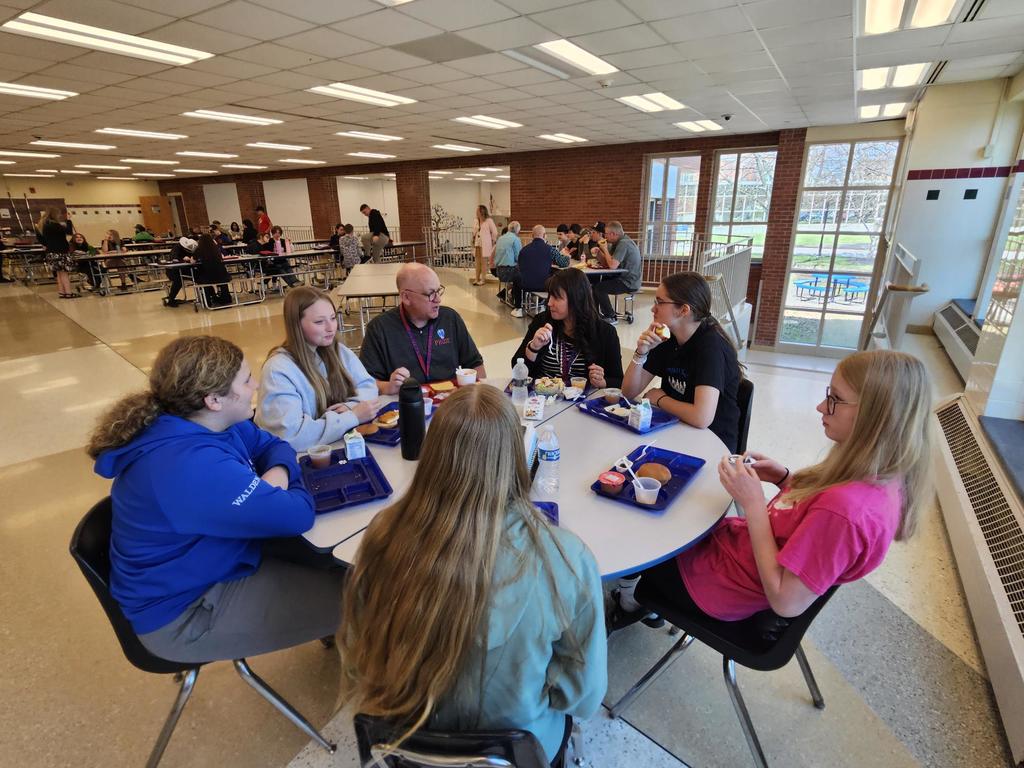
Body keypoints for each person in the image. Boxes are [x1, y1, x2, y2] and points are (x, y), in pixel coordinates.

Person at [338, 384, 606, 765]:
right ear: (517, 456)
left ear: (433, 453)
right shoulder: (567, 558)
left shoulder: (384, 535)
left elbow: (360, 656)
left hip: (407, 742)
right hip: (517, 750)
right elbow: (582, 697)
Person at [610, 350, 933, 631]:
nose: (821, 406)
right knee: (672, 510)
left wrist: (752, 503)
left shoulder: (844, 511)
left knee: (639, 527)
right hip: (731, 557)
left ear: (873, 417)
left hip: (717, 588)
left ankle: (628, 605)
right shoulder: (880, 478)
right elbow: (810, 520)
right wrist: (784, 478)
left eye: (834, 399)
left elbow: (785, 601)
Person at [87, 335, 343, 662]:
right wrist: (278, 488)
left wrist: (277, 474)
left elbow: (274, 446)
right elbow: (298, 515)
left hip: (215, 561)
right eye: (247, 379)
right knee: (374, 595)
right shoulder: (187, 466)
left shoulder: (208, 422)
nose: (255, 386)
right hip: (187, 613)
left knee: (331, 562)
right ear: (214, 400)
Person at [622, 271, 741, 452]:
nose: (653, 309)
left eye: (660, 302)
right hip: (676, 429)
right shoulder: (668, 337)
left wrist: (660, 399)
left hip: (712, 445)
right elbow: (629, 392)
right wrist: (641, 352)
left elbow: (702, 417)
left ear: (684, 310)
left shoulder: (711, 347)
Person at [257, 287, 380, 451]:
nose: (331, 328)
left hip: (334, 444)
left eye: (332, 318)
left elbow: (368, 386)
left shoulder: (337, 350)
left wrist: (349, 407)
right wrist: (353, 416)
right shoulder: (278, 370)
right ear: (297, 326)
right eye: (319, 322)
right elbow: (291, 436)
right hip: (303, 457)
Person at [359, 262, 485, 395]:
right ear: (406, 297)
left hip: (451, 403)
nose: (438, 300)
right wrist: (388, 387)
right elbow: (366, 382)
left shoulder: (450, 319)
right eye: (430, 294)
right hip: (405, 404)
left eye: (438, 291)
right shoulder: (379, 328)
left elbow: (475, 364)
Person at [513, 268, 623, 389]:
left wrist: (603, 382)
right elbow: (516, 367)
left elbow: (618, 380)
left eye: (556, 297)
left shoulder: (605, 332)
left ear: (577, 298)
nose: (549, 303)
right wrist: (533, 348)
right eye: (550, 296)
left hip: (580, 403)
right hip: (543, 399)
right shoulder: (542, 322)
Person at [589, 221, 641, 322]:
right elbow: (607, 263)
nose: (605, 236)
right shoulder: (616, 243)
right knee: (595, 284)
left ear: (613, 234)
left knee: (600, 288)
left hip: (628, 281)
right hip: (620, 276)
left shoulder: (624, 243)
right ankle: (595, 314)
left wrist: (605, 249)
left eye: (606, 234)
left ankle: (610, 316)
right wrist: (599, 252)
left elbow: (612, 266)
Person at [509, 224, 557, 318]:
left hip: (525, 285)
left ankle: (518, 308)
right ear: (544, 235)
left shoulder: (523, 250)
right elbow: (564, 262)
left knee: (517, 276)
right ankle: (546, 306)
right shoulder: (551, 249)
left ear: (532, 235)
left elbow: (520, 267)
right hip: (545, 285)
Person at [36, 207, 76, 298]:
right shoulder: (54, 225)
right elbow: (69, 232)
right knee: (64, 273)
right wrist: (69, 220)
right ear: (55, 215)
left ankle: (62, 292)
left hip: (50, 252)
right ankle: (69, 293)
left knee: (58, 273)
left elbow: (40, 239)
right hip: (61, 251)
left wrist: (48, 244)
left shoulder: (42, 225)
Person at [193, 233, 232, 307]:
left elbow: (193, 261)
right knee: (222, 280)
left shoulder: (199, 249)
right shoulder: (216, 248)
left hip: (208, 277)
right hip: (222, 275)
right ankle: (226, 298)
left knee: (200, 278)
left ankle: (208, 300)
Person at [163, 237, 198, 307]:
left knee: (199, 276)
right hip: (173, 270)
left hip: (186, 269)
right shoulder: (176, 248)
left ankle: (205, 296)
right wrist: (183, 259)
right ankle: (171, 299)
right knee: (178, 281)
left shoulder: (192, 248)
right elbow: (174, 259)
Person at [493, 220, 522, 302]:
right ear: (518, 230)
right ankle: (517, 300)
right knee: (524, 275)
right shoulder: (515, 239)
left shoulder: (500, 239)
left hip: (498, 270)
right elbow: (518, 257)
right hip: (508, 271)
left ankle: (504, 293)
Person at [472, 204, 498, 286]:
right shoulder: (476, 221)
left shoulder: (489, 221)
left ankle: (483, 279)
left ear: (482, 211)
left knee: (484, 262)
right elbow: (474, 231)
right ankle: (477, 278)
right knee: (477, 262)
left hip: (485, 244)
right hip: (477, 243)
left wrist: (493, 240)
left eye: (477, 210)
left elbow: (495, 232)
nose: (476, 212)